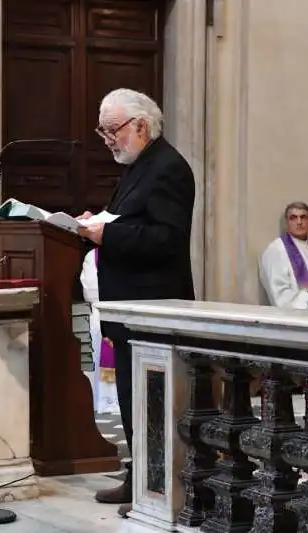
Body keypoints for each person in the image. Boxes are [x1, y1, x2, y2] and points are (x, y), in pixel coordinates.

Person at [77, 88, 196, 516]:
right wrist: (101, 223)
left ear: (141, 126)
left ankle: (159, 488)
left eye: (112, 130)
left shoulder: (168, 168)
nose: (107, 139)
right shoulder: (136, 167)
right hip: (129, 309)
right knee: (132, 399)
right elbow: (134, 223)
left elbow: (167, 238)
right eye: (103, 130)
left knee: (155, 404)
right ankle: (140, 479)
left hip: (154, 308)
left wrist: (107, 234)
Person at [79, 249, 120, 415]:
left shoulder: (91, 254)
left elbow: (89, 290)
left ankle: (106, 400)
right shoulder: (91, 255)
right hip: (105, 311)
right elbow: (88, 290)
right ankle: (105, 399)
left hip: (104, 310)